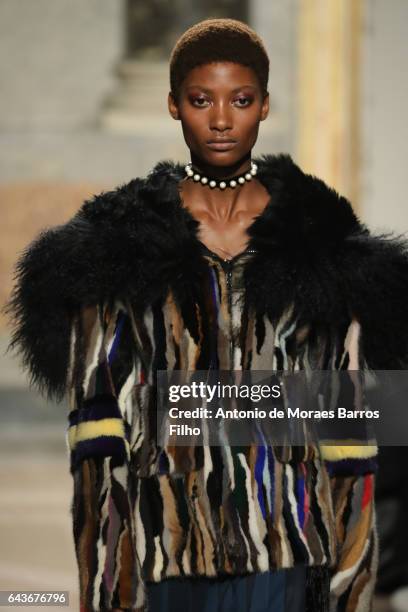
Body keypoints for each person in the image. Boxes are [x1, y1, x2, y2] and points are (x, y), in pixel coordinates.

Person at [6, 17, 408, 612]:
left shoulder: (320, 250)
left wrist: (349, 588)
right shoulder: (115, 255)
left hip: (290, 550)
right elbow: (97, 437)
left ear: (265, 106)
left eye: (241, 100)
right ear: (174, 106)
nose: (221, 119)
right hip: (163, 553)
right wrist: (106, 586)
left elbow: (347, 431)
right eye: (201, 100)